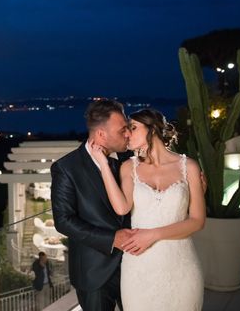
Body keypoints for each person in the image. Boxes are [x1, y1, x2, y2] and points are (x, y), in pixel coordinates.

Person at [92, 108, 205, 310]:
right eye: (126, 129)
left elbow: (197, 221)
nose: (127, 134)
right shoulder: (129, 167)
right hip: (139, 267)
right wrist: (103, 165)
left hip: (181, 264)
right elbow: (121, 208)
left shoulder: (189, 167)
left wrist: (153, 235)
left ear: (152, 129)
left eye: (133, 128)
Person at [51, 99, 134, 311]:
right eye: (122, 129)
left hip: (134, 265)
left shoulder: (130, 159)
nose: (128, 134)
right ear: (101, 135)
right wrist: (112, 239)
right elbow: (64, 221)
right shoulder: (66, 168)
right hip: (94, 272)